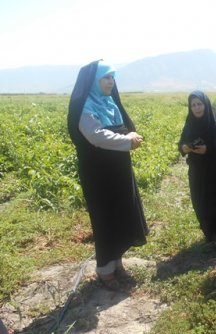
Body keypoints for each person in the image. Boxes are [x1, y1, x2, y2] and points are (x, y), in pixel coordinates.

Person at [67, 60, 149, 290]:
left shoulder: (109, 102)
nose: (111, 82)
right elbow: (96, 136)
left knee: (121, 212)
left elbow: (120, 128)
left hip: (118, 170)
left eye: (113, 78)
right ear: (94, 81)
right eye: (106, 78)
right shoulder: (86, 107)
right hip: (99, 174)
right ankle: (105, 269)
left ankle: (117, 262)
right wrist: (127, 141)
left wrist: (130, 134)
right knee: (105, 217)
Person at [178, 91, 216, 243]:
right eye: (193, 105)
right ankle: (209, 234)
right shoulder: (190, 123)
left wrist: (208, 149)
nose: (197, 108)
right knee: (199, 201)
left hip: (215, 169)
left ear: (206, 105)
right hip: (197, 170)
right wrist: (185, 147)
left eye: (200, 104)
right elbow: (181, 143)